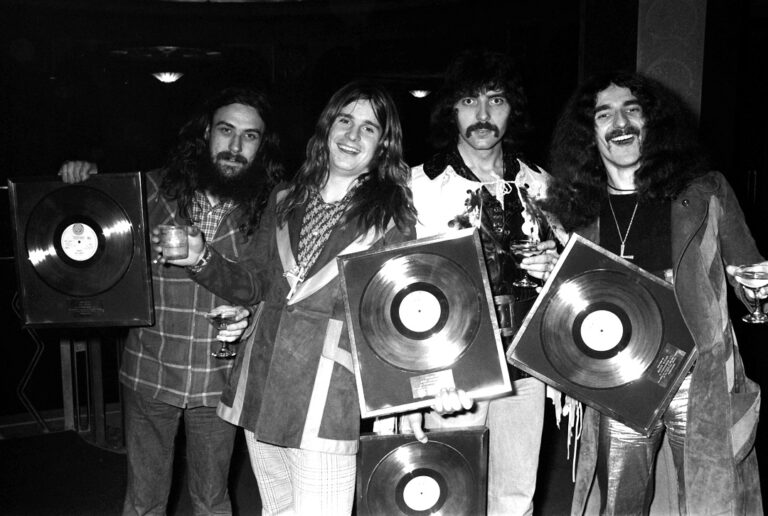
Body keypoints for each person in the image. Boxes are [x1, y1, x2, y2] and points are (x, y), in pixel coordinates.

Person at [158, 81, 443, 515]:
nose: (351, 135)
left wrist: (410, 398)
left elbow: (395, 319)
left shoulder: (391, 220)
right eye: (344, 120)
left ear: (382, 146)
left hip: (328, 397)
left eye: (368, 129)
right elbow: (254, 282)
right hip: (262, 383)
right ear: (327, 128)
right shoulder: (285, 199)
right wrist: (201, 259)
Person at [541, 70, 763, 515]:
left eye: (633, 110)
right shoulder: (575, 214)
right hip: (620, 383)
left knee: (714, 503)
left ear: (654, 123)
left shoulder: (704, 192)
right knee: (621, 507)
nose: (619, 122)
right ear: (591, 134)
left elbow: (750, 279)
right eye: (604, 114)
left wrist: (758, 288)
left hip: (697, 380)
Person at [59, 86, 284, 516]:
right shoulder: (151, 190)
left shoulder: (269, 209)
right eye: (226, 130)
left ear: (262, 146)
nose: (235, 147)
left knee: (212, 499)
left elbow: (257, 287)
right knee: (143, 502)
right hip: (149, 370)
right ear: (205, 133)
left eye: (250, 136)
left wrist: (208, 264)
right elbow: (88, 228)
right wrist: (81, 180)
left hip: (218, 378)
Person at [401, 49, 560, 516]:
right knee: (446, 492)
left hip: (525, 364)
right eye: (470, 101)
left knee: (515, 498)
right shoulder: (418, 186)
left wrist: (555, 266)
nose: (484, 114)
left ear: (513, 110)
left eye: (497, 100)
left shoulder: (542, 186)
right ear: (451, 109)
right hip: (455, 362)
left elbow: (572, 277)